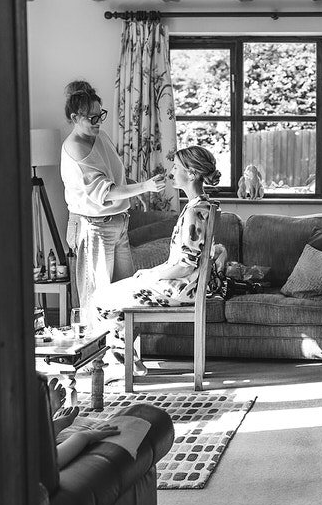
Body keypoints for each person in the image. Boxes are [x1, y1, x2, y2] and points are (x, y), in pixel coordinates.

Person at [92, 145, 224, 375]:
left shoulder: (194, 211)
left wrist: (151, 274)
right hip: (186, 285)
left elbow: (185, 265)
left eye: (177, 167)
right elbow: (197, 255)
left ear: (192, 174)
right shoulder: (204, 205)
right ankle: (127, 361)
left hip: (181, 288)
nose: (172, 172)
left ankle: (124, 365)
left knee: (101, 299)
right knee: (115, 296)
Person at [60, 80, 165, 328]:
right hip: (95, 227)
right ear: (75, 117)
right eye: (92, 118)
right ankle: (92, 361)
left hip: (118, 224)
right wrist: (144, 187)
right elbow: (104, 192)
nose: (98, 122)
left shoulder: (101, 136)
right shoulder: (75, 147)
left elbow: (113, 177)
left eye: (100, 116)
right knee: (97, 296)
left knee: (125, 293)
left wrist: (137, 187)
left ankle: (123, 356)